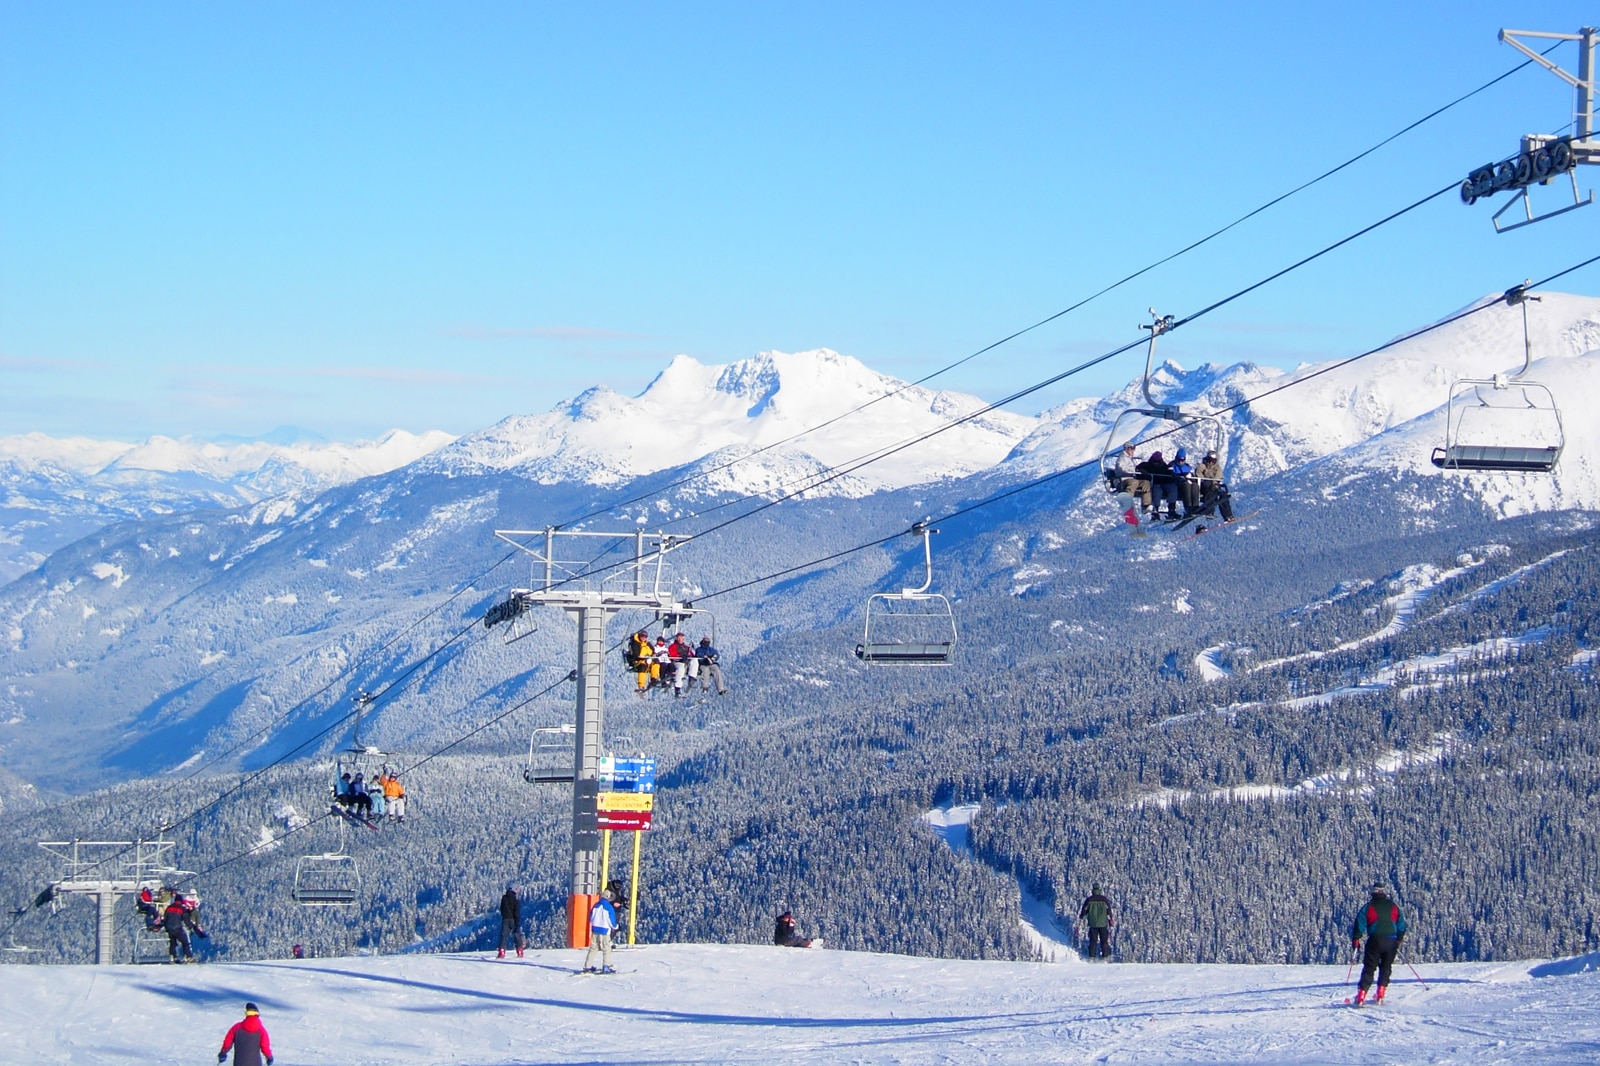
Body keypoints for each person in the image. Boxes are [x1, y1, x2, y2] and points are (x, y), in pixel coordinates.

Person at [1350, 883, 1407, 1006]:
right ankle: (1380, 994)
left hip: (1375, 940)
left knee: (1369, 968)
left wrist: (1356, 938)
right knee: (1386, 967)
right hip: (1391, 940)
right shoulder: (1393, 906)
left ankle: (1361, 995)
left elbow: (1360, 923)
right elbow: (1401, 925)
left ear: (1373, 892)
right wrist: (1399, 939)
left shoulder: (1368, 907)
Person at [218, 1002, 273, 1066]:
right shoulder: (261, 1031)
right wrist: (269, 1057)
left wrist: (223, 1053)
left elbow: (227, 1042)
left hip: (239, 1063)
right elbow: (265, 1047)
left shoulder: (236, 1028)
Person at [1137, 451, 1180, 520]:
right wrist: (1141, 471)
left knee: (1173, 488)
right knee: (1157, 491)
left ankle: (1172, 509)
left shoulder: (1164, 466)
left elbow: (1169, 472)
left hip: (1165, 483)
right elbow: (1138, 469)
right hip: (1155, 483)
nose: (1156, 463)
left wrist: (1172, 474)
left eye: (1158, 461)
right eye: (1155, 461)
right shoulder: (1147, 465)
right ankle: (1155, 511)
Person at [584, 891, 618, 973]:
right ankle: (606, 966)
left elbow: (590, 918)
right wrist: (616, 927)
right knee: (606, 948)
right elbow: (611, 921)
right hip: (605, 930)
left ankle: (587, 966)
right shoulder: (609, 907)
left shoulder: (596, 905)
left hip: (595, 929)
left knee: (593, 948)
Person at [1111, 443, 1151, 511]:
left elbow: (1132, 468)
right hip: (1122, 480)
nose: (1133, 450)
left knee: (1146, 483)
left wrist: (1138, 470)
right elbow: (1121, 467)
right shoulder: (1122, 457)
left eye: (1133, 448)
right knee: (1134, 482)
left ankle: (1145, 505)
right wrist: (1130, 471)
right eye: (1131, 448)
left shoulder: (1129, 458)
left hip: (1130, 479)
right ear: (1127, 449)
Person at [1078, 884, 1115, 959]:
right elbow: (1109, 911)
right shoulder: (1104, 899)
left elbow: (1084, 911)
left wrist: (1081, 918)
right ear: (1099, 890)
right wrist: (1110, 920)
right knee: (1104, 941)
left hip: (1093, 923)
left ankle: (1092, 957)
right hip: (1103, 923)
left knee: (1093, 941)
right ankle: (1105, 957)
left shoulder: (1089, 900)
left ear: (1093, 890)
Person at [1196, 450, 1234, 522]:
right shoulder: (1202, 466)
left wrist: (1214, 483)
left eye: (1213, 460)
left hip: (1214, 486)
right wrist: (1207, 480)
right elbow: (1199, 476)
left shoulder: (1217, 467)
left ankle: (1228, 515)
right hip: (1204, 486)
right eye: (1210, 460)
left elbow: (1218, 476)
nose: (1211, 462)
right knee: (1210, 491)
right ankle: (1209, 511)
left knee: (1222, 494)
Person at [163, 890, 199, 962]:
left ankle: (173, 956)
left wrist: (166, 927)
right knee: (185, 942)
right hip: (177, 928)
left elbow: (165, 917)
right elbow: (186, 919)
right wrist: (191, 927)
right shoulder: (181, 908)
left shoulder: (169, 907)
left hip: (169, 928)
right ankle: (188, 957)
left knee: (173, 942)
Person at [1169, 448, 1198, 516]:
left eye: (1182, 460)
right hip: (1178, 484)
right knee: (1186, 485)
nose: (1181, 462)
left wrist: (1191, 477)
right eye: (1179, 460)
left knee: (1195, 485)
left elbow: (1192, 475)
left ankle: (1195, 506)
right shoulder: (1172, 465)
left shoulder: (1187, 466)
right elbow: (1170, 474)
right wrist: (1182, 477)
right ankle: (1188, 507)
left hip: (1187, 482)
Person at [498, 886, 523, 959]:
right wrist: (517, 921)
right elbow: (517, 912)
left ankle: (502, 951)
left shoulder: (504, 899)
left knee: (504, 936)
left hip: (505, 919)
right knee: (516, 935)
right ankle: (519, 951)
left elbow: (502, 909)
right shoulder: (516, 900)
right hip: (513, 919)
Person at [628, 630, 655, 696]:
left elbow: (653, 650)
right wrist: (644, 657)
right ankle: (641, 685)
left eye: (645, 636)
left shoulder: (647, 643)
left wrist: (650, 655)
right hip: (638, 662)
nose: (644, 638)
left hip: (647, 660)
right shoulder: (636, 643)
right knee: (643, 666)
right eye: (642, 636)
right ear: (639, 636)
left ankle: (654, 678)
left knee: (656, 663)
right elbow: (636, 654)